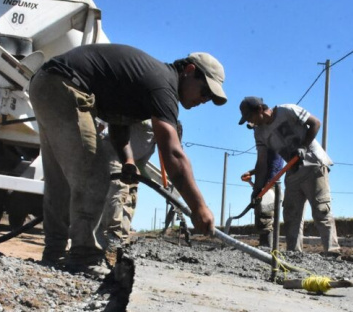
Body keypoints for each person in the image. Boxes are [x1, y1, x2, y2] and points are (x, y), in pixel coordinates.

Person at [29, 43, 226, 278]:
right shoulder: (164, 86)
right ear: (190, 70)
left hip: (47, 82)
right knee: (94, 171)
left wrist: (128, 160)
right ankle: (84, 256)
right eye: (205, 92)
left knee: (60, 178)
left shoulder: (148, 80)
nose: (204, 100)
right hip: (66, 85)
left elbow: (118, 124)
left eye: (210, 98)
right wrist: (199, 207)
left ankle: (55, 253)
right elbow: (172, 153)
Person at [237, 96, 340, 255]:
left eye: (250, 117)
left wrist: (303, 146)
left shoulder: (287, 110)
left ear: (259, 110)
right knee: (291, 215)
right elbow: (262, 163)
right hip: (292, 171)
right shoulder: (259, 132)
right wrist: (257, 190)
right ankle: (294, 255)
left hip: (313, 165)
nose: (251, 121)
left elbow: (315, 123)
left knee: (321, 211)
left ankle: (333, 253)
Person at [240, 147, 285, 249]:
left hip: (269, 184)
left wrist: (268, 184)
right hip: (266, 184)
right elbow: (264, 167)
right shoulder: (267, 147)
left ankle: (266, 246)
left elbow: (274, 167)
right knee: (262, 214)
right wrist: (251, 173)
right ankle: (265, 245)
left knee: (265, 215)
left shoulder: (274, 145)